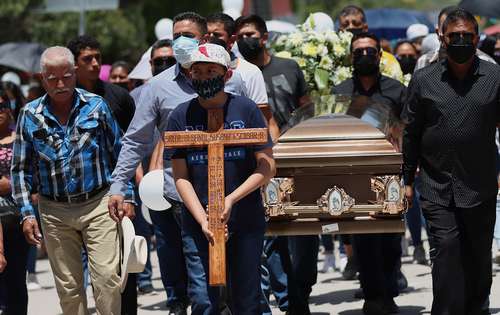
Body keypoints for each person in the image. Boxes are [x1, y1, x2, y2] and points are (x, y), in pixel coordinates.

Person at [109, 12, 246, 315]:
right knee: (201, 288)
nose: (181, 42)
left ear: (205, 39)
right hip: (184, 198)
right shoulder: (156, 88)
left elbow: (251, 133)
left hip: (233, 196)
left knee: (240, 285)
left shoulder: (233, 80)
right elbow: (135, 140)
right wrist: (118, 186)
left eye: (189, 36)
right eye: (176, 37)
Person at [11, 46, 134, 315]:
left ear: (74, 74)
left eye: (66, 77)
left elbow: (120, 152)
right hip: (54, 211)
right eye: (52, 78)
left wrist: (127, 194)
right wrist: (26, 214)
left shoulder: (96, 106)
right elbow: (19, 170)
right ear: (42, 78)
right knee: (68, 288)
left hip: (99, 203)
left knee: (107, 281)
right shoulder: (29, 115)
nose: (60, 84)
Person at [403, 8, 500, 315]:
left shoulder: (495, 77)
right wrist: (406, 181)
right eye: (454, 36)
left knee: (478, 257)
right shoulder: (422, 80)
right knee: (446, 251)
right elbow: (411, 133)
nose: (460, 41)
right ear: (441, 38)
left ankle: (476, 307)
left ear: (477, 38)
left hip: (480, 184)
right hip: (436, 184)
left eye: (467, 36)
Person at [166, 42, 275, 314]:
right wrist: (204, 219)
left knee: (247, 299)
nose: (203, 76)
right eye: (197, 71)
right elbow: (180, 176)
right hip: (198, 221)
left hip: (245, 218)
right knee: (203, 300)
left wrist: (230, 200)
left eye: (210, 70)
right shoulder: (180, 115)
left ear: (226, 75)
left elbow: (267, 166)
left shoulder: (247, 110)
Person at [235, 14, 319, 315]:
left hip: (294, 160)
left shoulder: (289, 67)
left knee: (306, 230)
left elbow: (306, 109)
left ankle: (303, 286)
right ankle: (287, 299)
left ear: (264, 37)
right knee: (271, 235)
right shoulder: (236, 74)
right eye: (240, 35)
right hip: (257, 164)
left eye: (250, 34)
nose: (245, 39)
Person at [333, 32, 406, 315]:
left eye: (370, 52)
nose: (365, 57)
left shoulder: (397, 90)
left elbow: (407, 129)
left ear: (379, 56)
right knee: (362, 239)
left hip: (389, 173)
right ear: (351, 57)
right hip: (353, 174)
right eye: (358, 52)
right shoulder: (340, 91)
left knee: (390, 238)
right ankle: (373, 297)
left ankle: (389, 292)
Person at [67, 35, 139, 315]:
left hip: (113, 193)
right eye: (88, 58)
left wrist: (128, 191)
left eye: (98, 57)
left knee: (122, 264)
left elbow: (132, 144)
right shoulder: (63, 99)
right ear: (74, 64)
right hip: (71, 199)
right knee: (80, 274)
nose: (96, 63)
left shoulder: (118, 97)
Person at [0, 87, 29, 314]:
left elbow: (32, 173)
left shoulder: (20, 138)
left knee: (17, 277)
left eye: (2, 105)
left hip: (16, 218)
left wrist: (10, 184)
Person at [415, 5, 496, 71]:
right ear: (438, 33)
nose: (459, 38)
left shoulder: (488, 63)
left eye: (465, 34)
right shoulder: (424, 61)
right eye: (452, 34)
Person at [337, 5, 403, 81]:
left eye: (356, 24)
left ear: (365, 28)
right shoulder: (334, 60)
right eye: (345, 25)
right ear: (339, 30)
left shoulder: (388, 60)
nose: (350, 27)